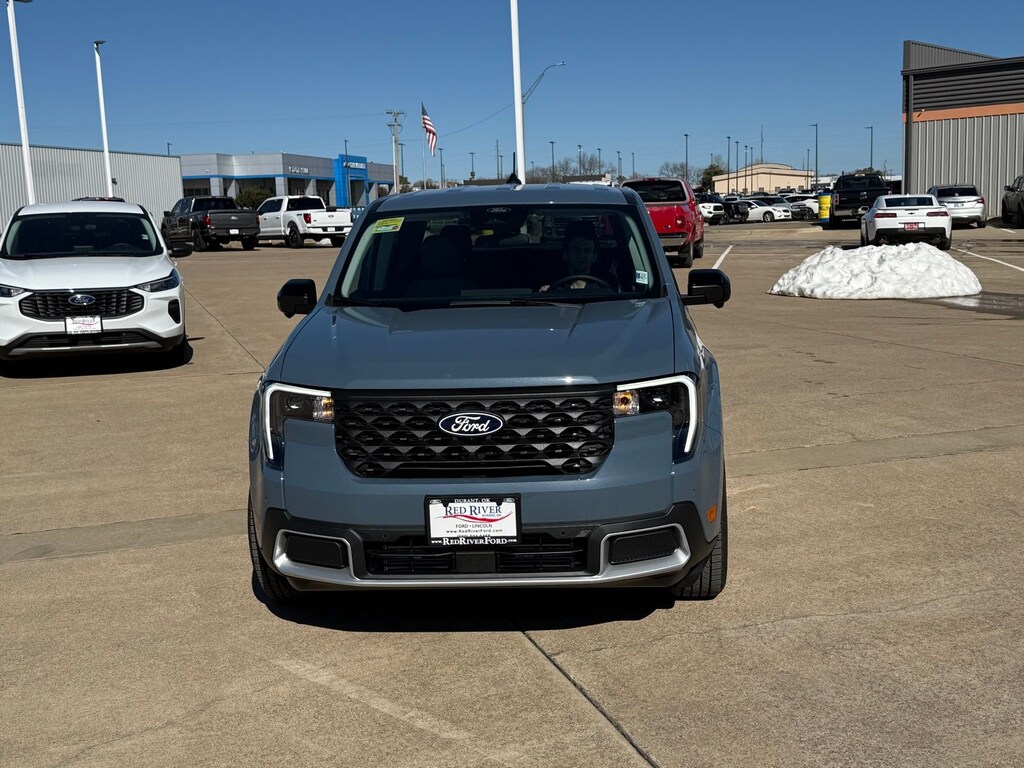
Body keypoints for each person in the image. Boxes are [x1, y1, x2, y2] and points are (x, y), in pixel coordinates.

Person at [540, 221, 617, 291]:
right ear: (566, 254)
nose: (581, 255)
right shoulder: (553, 286)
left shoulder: (607, 286)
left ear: (594, 256)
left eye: (587, 250)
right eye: (575, 250)